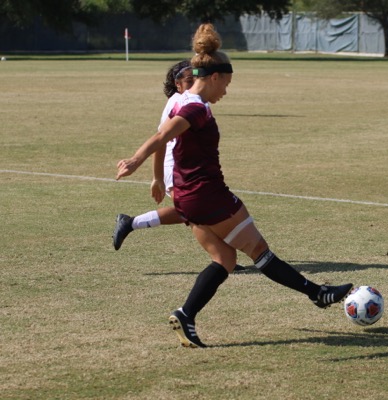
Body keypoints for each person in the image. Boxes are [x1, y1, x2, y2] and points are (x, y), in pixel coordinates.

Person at [115, 23, 353, 348]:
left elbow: (164, 136)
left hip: (187, 199)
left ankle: (186, 314)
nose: (226, 91)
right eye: (226, 83)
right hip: (208, 196)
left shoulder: (194, 105)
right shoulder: (195, 108)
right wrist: (135, 161)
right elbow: (161, 136)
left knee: (225, 260)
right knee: (259, 252)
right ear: (214, 77)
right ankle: (318, 294)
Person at [112, 60, 193, 251]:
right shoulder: (177, 103)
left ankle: (223, 259)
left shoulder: (191, 100)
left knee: (201, 212)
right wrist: (157, 178)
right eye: (190, 80)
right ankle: (131, 223)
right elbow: (160, 140)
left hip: (188, 167)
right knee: (191, 212)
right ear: (178, 84)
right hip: (175, 168)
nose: (195, 84)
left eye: (198, 79)